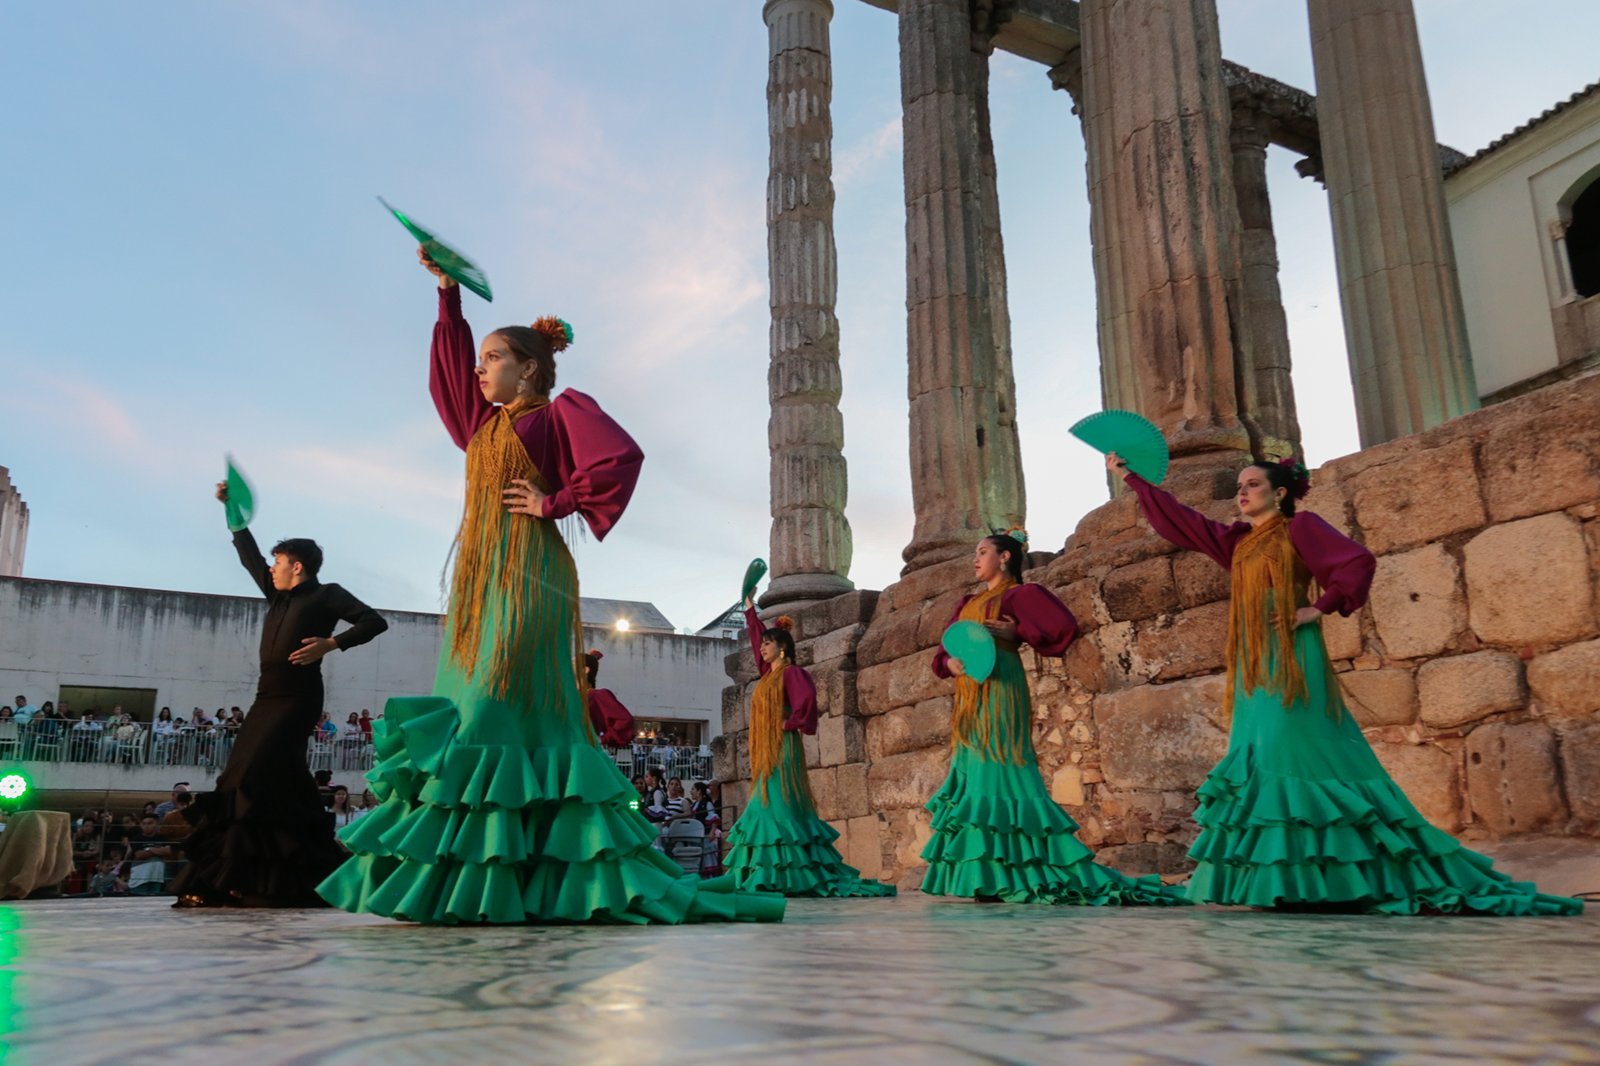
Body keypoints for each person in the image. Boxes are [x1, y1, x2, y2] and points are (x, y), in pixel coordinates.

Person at [316, 246, 781, 926]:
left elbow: (620, 457)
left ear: (528, 367)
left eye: (494, 358)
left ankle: (522, 872)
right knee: (473, 696)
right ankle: (490, 877)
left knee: (498, 703)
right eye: (482, 360)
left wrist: (556, 502)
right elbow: (447, 381)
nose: (481, 370)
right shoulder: (482, 426)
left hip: (530, 574)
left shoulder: (556, 412)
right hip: (480, 582)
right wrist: (450, 301)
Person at [1113, 451, 1582, 915]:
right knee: (1260, 753)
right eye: (1239, 486)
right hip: (1252, 661)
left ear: (1279, 493)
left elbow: (1356, 561)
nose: (1242, 492)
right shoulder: (1238, 542)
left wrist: (1318, 607)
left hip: (1293, 659)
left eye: (1252, 484)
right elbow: (1182, 521)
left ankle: (1346, 874)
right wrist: (1131, 478)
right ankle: (1290, 881)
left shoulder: (1300, 528)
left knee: (1290, 749)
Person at [923, 529, 1185, 906]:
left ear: (1006, 557)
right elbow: (942, 653)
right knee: (972, 772)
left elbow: (1062, 628)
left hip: (1001, 690)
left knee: (1002, 769)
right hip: (968, 702)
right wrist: (950, 663)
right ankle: (988, 872)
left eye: (983, 552)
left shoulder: (1022, 595)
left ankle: (1020, 868)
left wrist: (1019, 631)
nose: (976, 559)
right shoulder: (966, 602)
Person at [170, 484, 390, 909]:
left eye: (278, 562)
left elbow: (374, 621)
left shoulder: (328, 594)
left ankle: (241, 879)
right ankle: (275, 880)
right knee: (261, 780)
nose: (270, 569)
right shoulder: (277, 595)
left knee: (252, 776)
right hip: (265, 697)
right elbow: (248, 556)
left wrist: (332, 644)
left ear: (298, 566)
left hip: (297, 696)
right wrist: (232, 512)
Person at [723, 600, 895, 898]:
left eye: (768, 644)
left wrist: (789, 725)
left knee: (777, 805)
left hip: (783, 748)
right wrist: (751, 611)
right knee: (768, 803)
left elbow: (806, 703)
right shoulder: (768, 675)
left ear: (783, 648)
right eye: (762, 644)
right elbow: (754, 637)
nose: (762, 648)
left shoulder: (792, 673)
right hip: (765, 752)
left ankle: (785, 875)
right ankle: (776, 874)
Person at [584, 651, 636, 749]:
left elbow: (625, 719)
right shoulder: (568, 696)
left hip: (582, 751)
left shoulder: (596, 695)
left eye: (573, 664)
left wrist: (602, 739)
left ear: (585, 670)